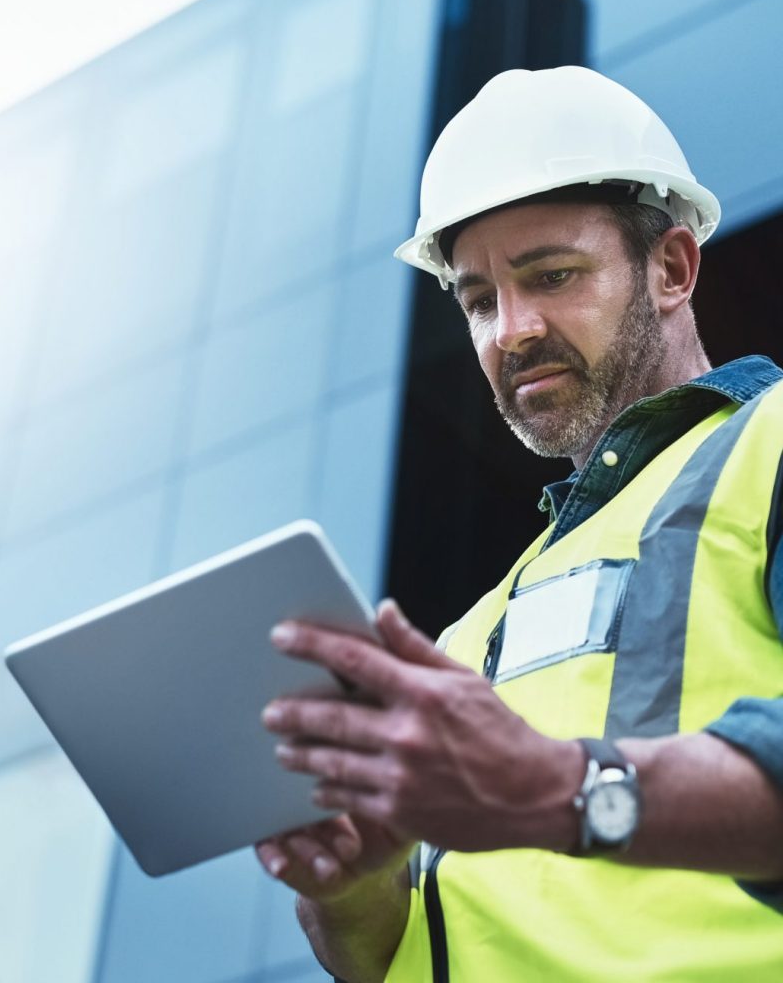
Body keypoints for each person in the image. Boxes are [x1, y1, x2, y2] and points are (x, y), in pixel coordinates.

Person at [255, 66, 783, 982]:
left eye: (551, 276)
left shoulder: (771, 446)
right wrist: (353, 892)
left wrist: (560, 789)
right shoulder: (465, 640)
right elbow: (392, 959)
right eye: (477, 301)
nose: (511, 330)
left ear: (670, 267)